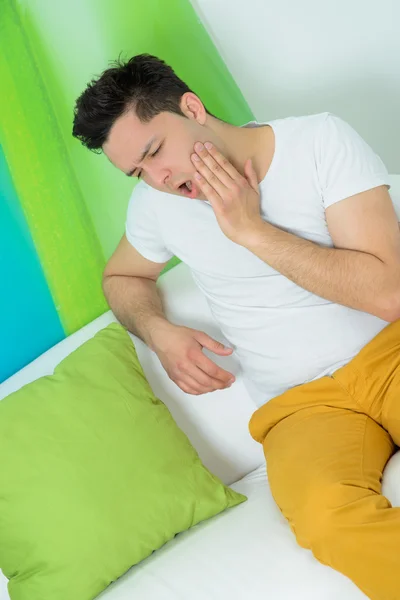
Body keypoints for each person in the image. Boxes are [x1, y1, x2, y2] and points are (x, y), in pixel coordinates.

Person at [72, 53, 400, 599]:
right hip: (300, 406)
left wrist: (251, 230)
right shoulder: (155, 208)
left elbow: (388, 293)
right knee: (323, 518)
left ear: (192, 108)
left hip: (388, 353)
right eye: (138, 173)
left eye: (155, 152)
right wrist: (157, 330)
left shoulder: (319, 142)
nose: (160, 180)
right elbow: (122, 276)